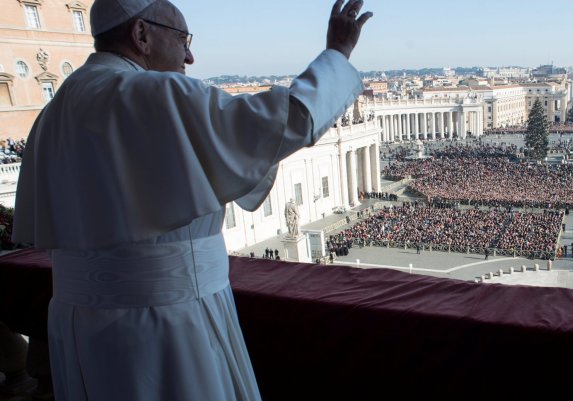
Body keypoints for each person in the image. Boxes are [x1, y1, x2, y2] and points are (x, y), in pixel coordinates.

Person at [11, 0, 373, 400]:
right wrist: (337, 54)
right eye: (182, 39)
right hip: (166, 320)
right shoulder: (153, 93)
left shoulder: (55, 109)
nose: (190, 54)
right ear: (142, 35)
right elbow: (287, 120)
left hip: (79, 327)